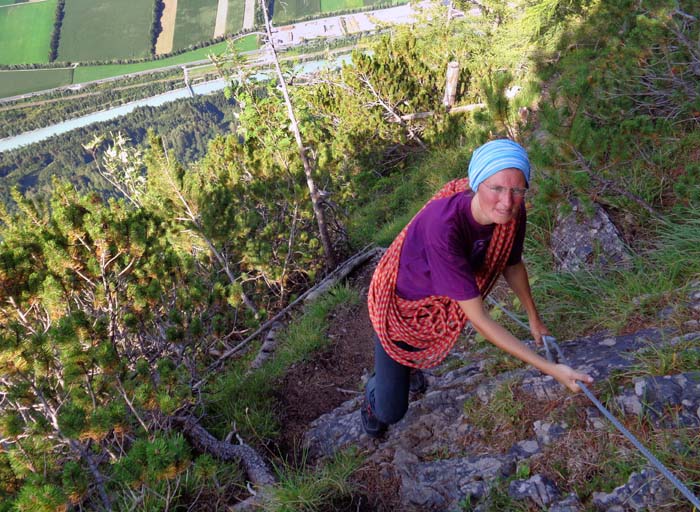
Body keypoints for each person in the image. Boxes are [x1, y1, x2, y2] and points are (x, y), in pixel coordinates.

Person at [362, 139, 593, 438]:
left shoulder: (509, 215)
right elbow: (480, 320)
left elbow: (512, 264)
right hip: (402, 309)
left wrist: (535, 319)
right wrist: (551, 369)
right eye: (496, 188)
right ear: (476, 184)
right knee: (391, 411)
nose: (507, 201)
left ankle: (402, 373)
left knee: (408, 368)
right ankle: (373, 397)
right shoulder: (443, 228)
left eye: (517, 190)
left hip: (440, 299)